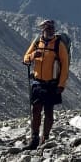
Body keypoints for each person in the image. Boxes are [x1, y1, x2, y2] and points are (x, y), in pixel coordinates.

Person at [22, 19, 69, 148]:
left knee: (48, 112)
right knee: (35, 110)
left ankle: (45, 139)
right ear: (42, 30)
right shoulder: (37, 42)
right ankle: (35, 138)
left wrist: (61, 84)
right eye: (47, 28)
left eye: (51, 28)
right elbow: (25, 58)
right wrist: (32, 55)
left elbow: (65, 65)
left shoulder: (58, 44)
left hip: (52, 84)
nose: (50, 31)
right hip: (38, 82)